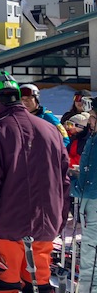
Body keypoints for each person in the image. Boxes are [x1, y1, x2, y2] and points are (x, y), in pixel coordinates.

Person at [0, 70, 69, 293]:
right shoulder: (50, 129)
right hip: (45, 225)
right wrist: (59, 219)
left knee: (6, 285)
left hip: (8, 227)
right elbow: (64, 181)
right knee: (39, 284)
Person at [72, 105, 97, 291]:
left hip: (93, 205)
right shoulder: (93, 138)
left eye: (93, 117)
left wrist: (69, 182)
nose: (90, 121)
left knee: (91, 259)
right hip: (91, 203)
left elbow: (88, 185)